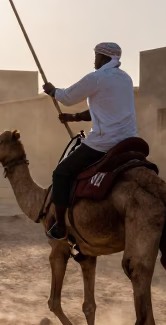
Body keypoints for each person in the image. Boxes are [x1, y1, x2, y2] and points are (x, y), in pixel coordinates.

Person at [41, 41, 137, 240]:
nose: (94, 61)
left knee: (61, 173)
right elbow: (105, 111)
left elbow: (66, 97)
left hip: (103, 143)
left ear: (103, 57)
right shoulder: (126, 79)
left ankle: (60, 226)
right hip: (129, 141)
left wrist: (52, 91)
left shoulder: (97, 78)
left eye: (95, 56)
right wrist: (74, 118)